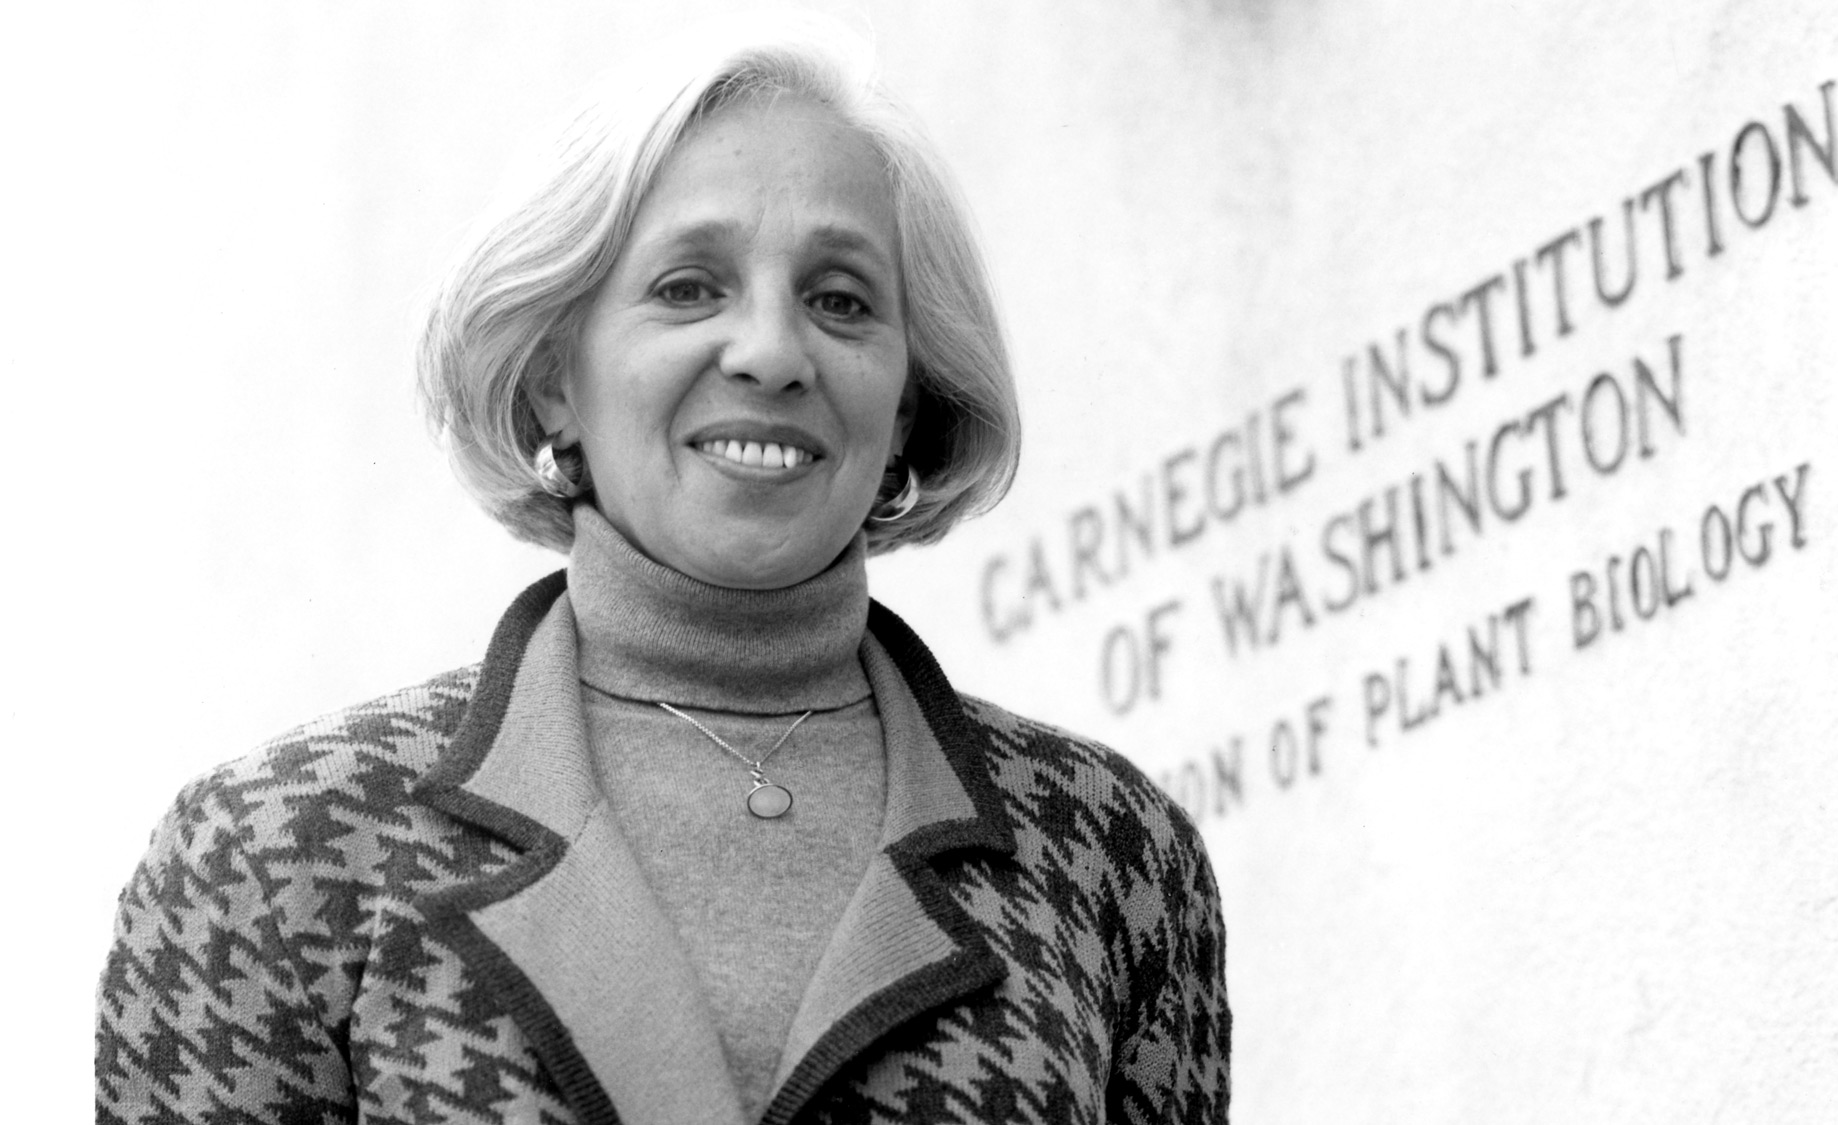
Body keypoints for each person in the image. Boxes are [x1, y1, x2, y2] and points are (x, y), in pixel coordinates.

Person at [95, 20, 1228, 1125]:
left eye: (840, 300)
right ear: (551, 379)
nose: (773, 353)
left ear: (906, 407)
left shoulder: (1112, 856)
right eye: (689, 287)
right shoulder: (274, 847)